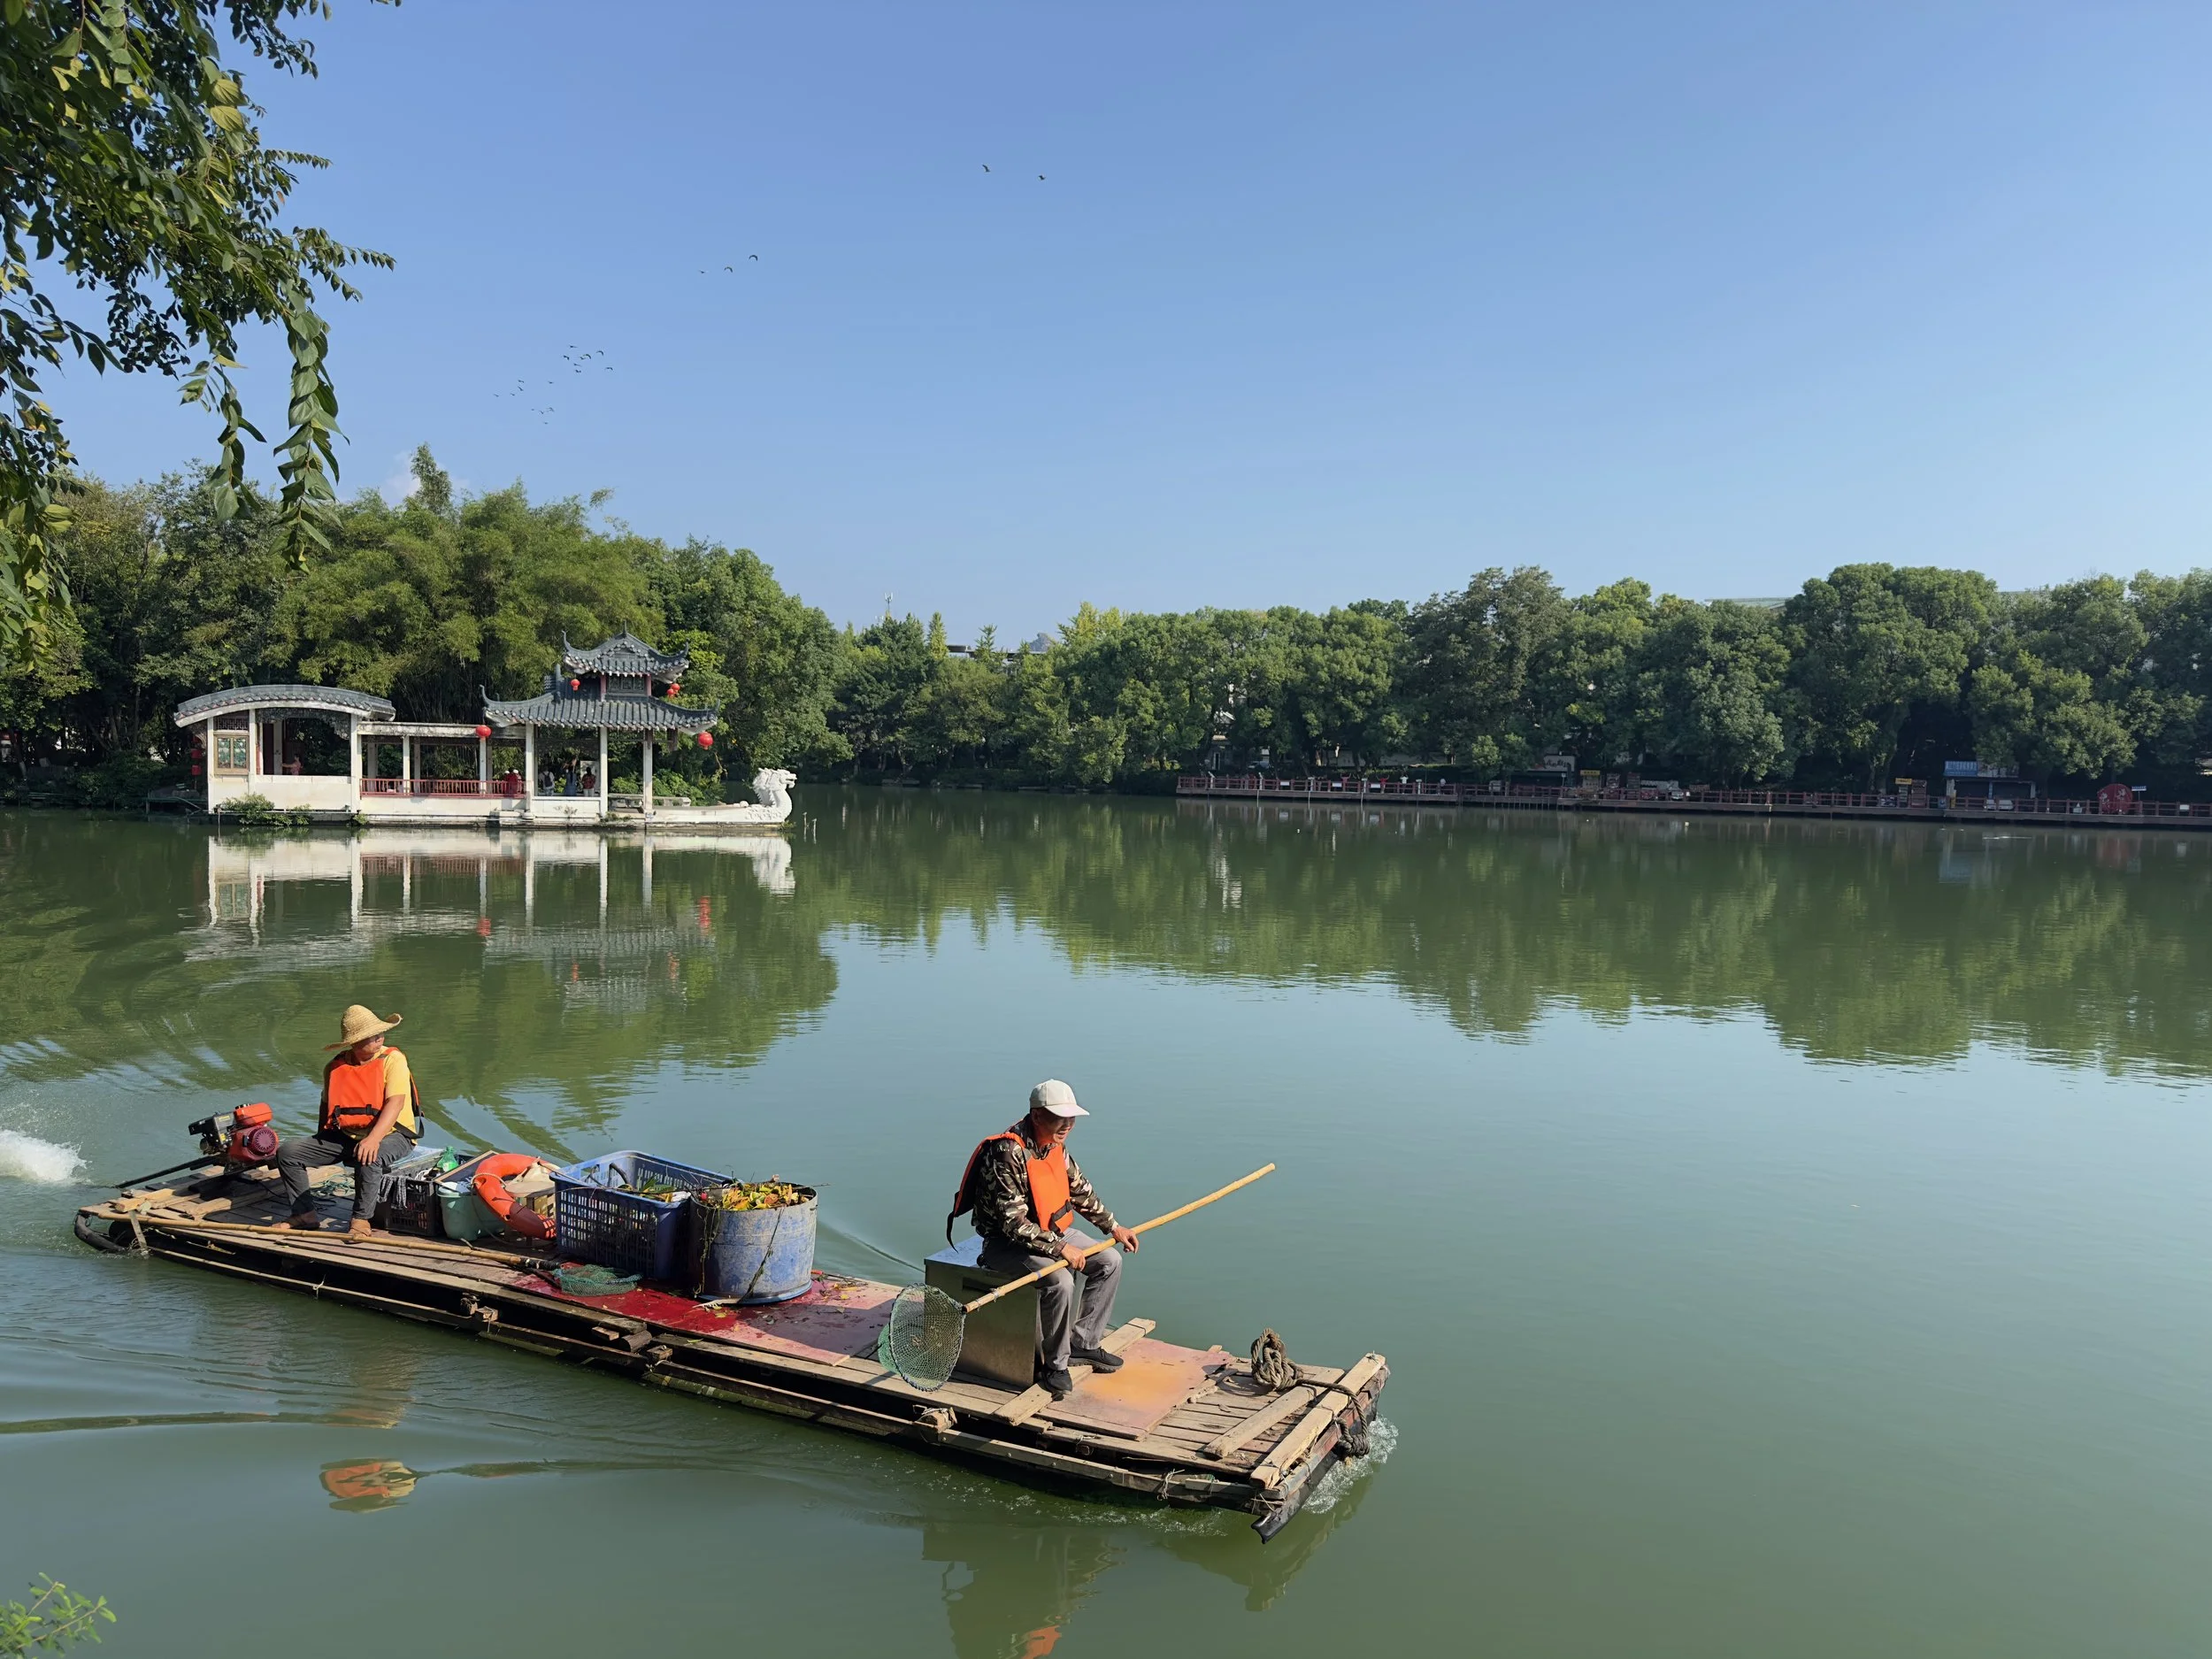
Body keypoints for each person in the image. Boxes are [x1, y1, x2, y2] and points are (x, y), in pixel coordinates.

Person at [949, 1079, 1141, 1399]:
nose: (1067, 1125)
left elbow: (1080, 1190)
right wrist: (1060, 1248)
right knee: (1060, 1281)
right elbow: (1012, 1223)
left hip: (1052, 1232)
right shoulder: (1007, 1153)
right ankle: (1055, 1365)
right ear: (1037, 1115)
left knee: (1109, 1261)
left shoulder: (1055, 1145)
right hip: (1007, 1244)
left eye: (1071, 1118)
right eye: (1059, 1118)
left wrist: (1114, 1227)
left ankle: (1084, 1343)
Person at [273, 1004, 423, 1239]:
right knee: (289, 1153)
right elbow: (326, 1105)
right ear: (354, 1042)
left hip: (393, 1134)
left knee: (370, 1155)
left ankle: (361, 1219)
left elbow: (395, 1103)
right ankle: (304, 1215)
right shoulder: (334, 1067)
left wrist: (373, 1139)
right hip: (347, 1135)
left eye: (380, 1033)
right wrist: (320, 1141)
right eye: (372, 1035)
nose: (379, 1038)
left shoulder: (392, 1060)